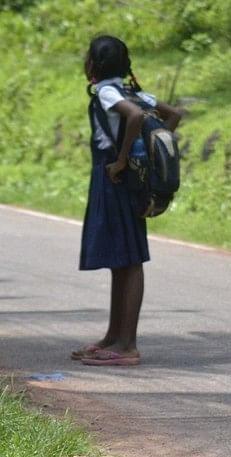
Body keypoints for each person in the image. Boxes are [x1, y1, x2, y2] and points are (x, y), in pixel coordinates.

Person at [73, 35, 182, 367]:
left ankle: (127, 345)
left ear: (95, 65)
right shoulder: (130, 89)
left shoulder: (109, 91)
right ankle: (113, 336)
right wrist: (144, 158)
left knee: (129, 260)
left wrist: (123, 160)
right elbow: (173, 115)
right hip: (127, 182)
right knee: (122, 260)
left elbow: (134, 117)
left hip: (114, 179)